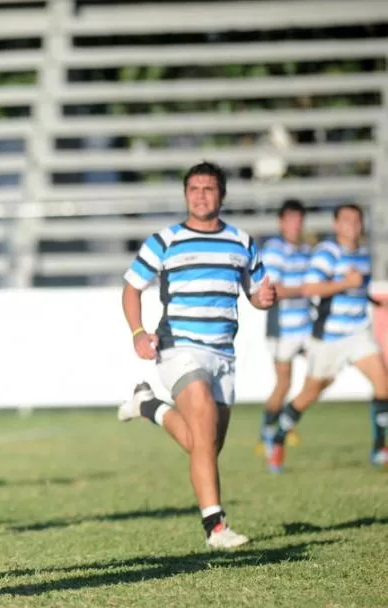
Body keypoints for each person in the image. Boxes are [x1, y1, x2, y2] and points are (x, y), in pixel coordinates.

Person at [117, 161, 276, 549]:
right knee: (202, 425)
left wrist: (264, 299)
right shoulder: (165, 240)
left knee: (202, 443)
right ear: (185, 194)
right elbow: (131, 288)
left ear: (221, 194)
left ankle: (147, 405)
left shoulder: (241, 241)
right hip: (178, 348)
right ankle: (216, 528)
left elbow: (256, 292)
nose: (200, 195)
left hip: (223, 354)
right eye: (193, 188)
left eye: (208, 188)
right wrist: (138, 333)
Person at [264, 204, 388, 470]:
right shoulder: (326, 254)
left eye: (357, 220)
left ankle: (379, 448)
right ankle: (278, 436)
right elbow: (309, 288)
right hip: (329, 338)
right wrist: (345, 283)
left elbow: (358, 289)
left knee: (383, 381)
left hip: (357, 332)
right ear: (336, 225)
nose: (353, 225)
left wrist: (376, 303)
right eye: (346, 220)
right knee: (310, 393)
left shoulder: (363, 255)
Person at [258, 200, 311, 461]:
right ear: (282, 222)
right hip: (282, 327)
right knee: (284, 383)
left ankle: (285, 424)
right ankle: (268, 432)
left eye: (299, 219)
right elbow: (273, 289)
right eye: (291, 219)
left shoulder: (305, 250)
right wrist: (307, 289)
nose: (296, 224)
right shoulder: (274, 250)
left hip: (307, 325)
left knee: (322, 374)